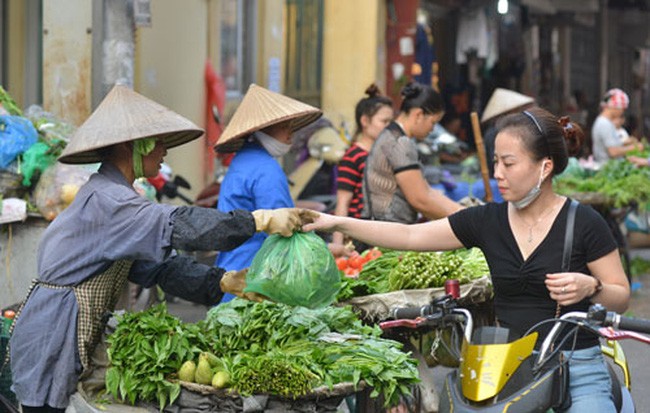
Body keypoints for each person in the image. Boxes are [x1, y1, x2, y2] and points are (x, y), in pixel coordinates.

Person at [8, 84, 313, 412]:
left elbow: (154, 266)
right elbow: (181, 225)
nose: (165, 150)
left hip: (70, 329)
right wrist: (258, 220)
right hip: (54, 332)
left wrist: (220, 282)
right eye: (160, 142)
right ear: (133, 146)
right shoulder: (110, 201)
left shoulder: (116, 195)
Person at [303, 107, 630, 412]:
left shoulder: (585, 223)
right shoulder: (487, 220)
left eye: (509, 163)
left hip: (576, 369)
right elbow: (410, 236)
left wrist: (592, 286)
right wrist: (337, 222)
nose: (498, 173)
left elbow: (620, 296)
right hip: (503, 367)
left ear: (544, 167)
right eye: (495, 162)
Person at [213, 83, 322, 303]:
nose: (291, 132)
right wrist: (325, 251)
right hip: (252, 277)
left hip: (231, 271)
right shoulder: (265, 169)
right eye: (285, 125)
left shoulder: (244, 160)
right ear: (263, 128)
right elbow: (286, 228)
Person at [362, 81, 462, 223]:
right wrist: (463, 220)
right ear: (419, 115)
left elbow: (426, 190)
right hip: (388, 230)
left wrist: (461, 211)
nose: (432, 129)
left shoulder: (392, 135)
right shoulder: (399, 142)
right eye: (433, 122)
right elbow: (420, 199)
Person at [330, 84, 393, 253]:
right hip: (360, 235)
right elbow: (343, 203)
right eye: (384, 121)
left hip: (384, 230)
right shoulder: (353, 157)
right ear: (365, 121)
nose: (388, 127)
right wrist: (339, 246)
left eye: (390, 122)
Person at [591, 88, 643, 164]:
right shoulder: (604, 124)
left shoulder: (605, 122)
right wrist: (635, 148)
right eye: (622, 109)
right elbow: (613, 152)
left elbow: (609, 145)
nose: (622, 113)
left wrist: (624, 143)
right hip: (606, 169)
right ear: (615, 107)